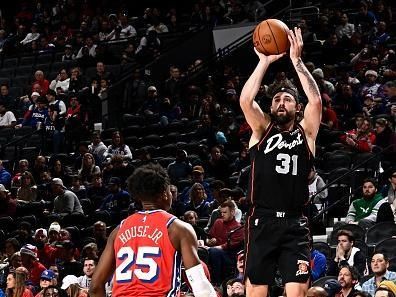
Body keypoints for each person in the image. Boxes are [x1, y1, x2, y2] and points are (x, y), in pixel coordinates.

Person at [239, 27, 322, 297]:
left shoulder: (306, 132)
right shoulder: (262, 130)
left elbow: (316, 100)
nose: (281, 102)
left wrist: (297, 62)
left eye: (287, 98)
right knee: (256, 290)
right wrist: (263, 62)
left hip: (295, 222)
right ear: (272, 108)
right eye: (276, 99)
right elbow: (245, 100)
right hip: (261, 219)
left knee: (297, 292)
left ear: (297, 108)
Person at [90, 163, 217, 297]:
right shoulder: (178, 228)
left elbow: (95, 287)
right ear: (165, 193)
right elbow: (200, 285)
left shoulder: (118, 231)